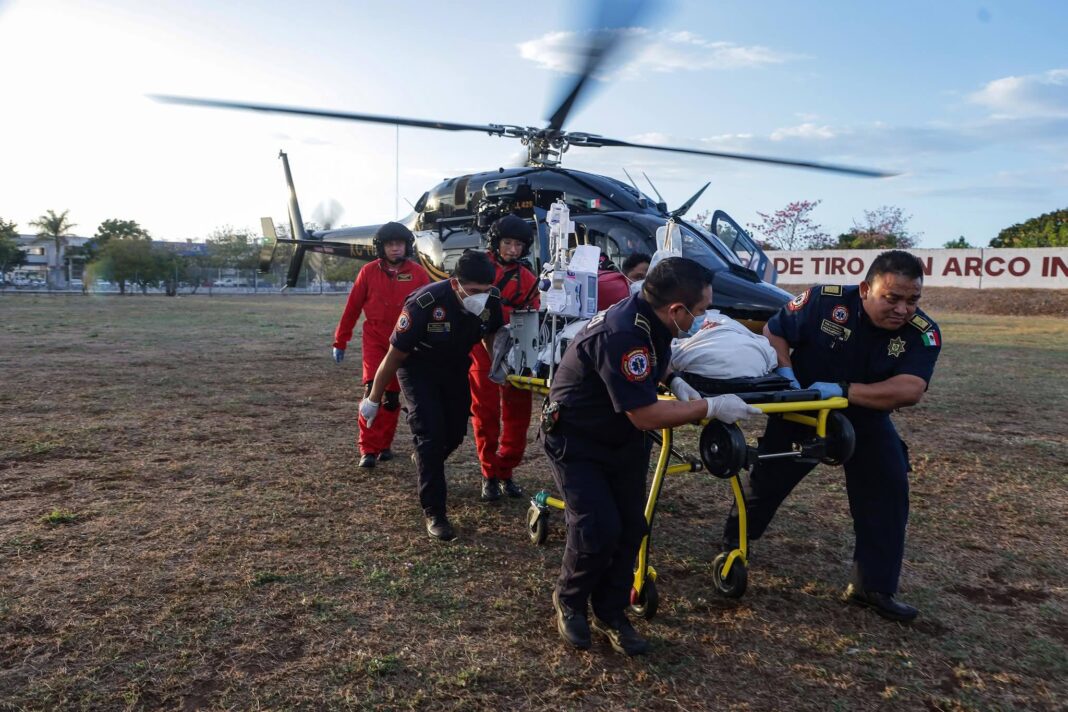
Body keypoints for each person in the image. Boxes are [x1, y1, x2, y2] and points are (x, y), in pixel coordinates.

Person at [544, 256, 761, 656]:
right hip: (578, 438)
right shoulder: (623, 332)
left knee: (631, 527)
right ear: (676, 309)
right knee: (597, 528)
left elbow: (653, 363)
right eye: (700, 310)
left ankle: (611, 611)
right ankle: (570, 600)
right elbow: (645, 415)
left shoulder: (651, 317)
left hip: (621, 436)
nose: (703, 317)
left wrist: (673, 379)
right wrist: (709, 407)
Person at [721, 250, 942, 623]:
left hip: (866, 416)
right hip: (802, 409)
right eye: (892, 298)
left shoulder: (922, 332)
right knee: (767, 482)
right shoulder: (825, 301)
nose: (903, 309)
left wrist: (843, 390)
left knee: (888, 489)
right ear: (865, 289)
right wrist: (785, 371)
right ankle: (733, 547)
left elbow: (910, 389)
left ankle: (873, 586)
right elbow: (775, 331)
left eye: (912, 300)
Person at [363, 251, 503, 542]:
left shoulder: (491, 300)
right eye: (473, 291)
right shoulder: (425, 303)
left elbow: (489, 333)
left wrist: (498, 363)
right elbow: (394, 355)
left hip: (455, 367)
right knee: (430, 436)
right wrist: (373, 399)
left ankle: (426, 459)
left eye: (485, 290)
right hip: (418, 368)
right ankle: (435, 512)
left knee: (454, 433)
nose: (479, 297)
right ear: (455, 284)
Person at [332, 222, 430, 468]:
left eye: (399, 244)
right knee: (372, 391)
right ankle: (368, 449)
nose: (395, 248)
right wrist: (340, 340)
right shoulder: (368, 272)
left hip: (405, 342)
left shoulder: (418, 273)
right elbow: (353, 307)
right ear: (381, 247)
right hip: (375, 341)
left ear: (407, 246)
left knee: (392, 398)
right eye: (390, 244)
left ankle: (384, 445)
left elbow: (429, 309)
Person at [469, 215, 540, 502]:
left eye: (518, 245)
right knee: (485, 413)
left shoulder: (528, 279)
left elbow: (535, 312)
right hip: (481, 348)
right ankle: (489, 473)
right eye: (507, 243)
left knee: (518, 415)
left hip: (516, 348)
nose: (512, 250)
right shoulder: (477, 267)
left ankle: (506, 470)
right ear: (495, 243)